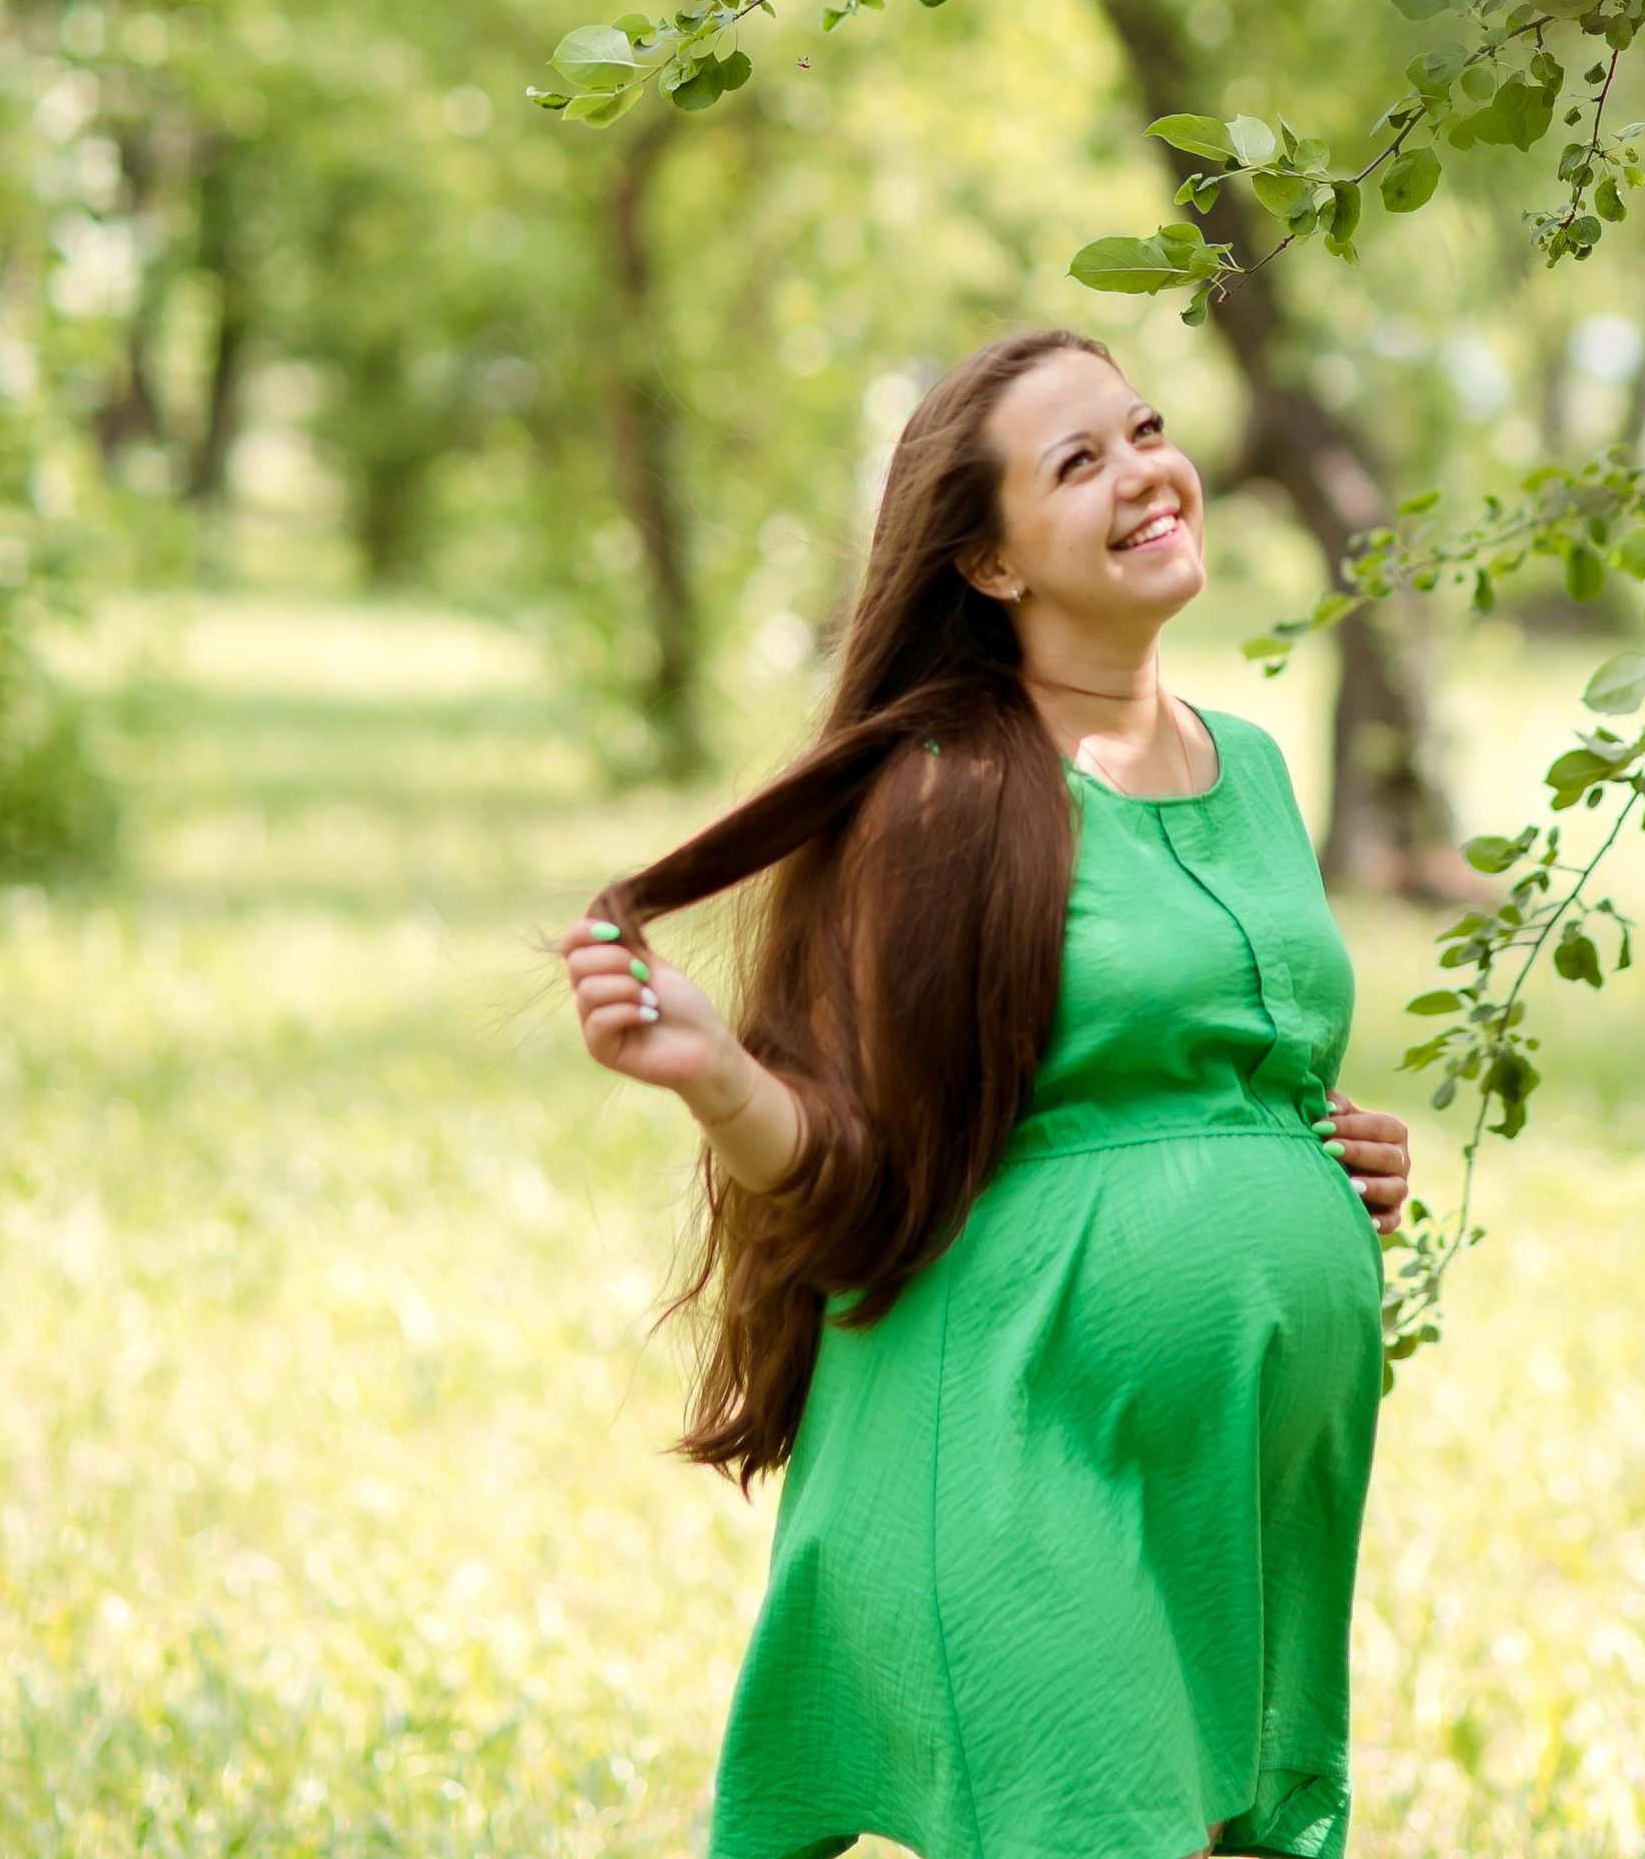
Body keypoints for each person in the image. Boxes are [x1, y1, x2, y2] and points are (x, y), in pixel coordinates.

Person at [555, 326, 1414, 1859]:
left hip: (1237, 1468)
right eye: (1077, 462)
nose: (1146, 471)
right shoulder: (952, 793)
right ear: (993, 565)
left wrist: (1326, 1160)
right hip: (1025, 1432)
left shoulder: (1262, 768)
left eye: (1144, 428)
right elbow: (852, 1155)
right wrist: (717, 1076)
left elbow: (1236, 1063)